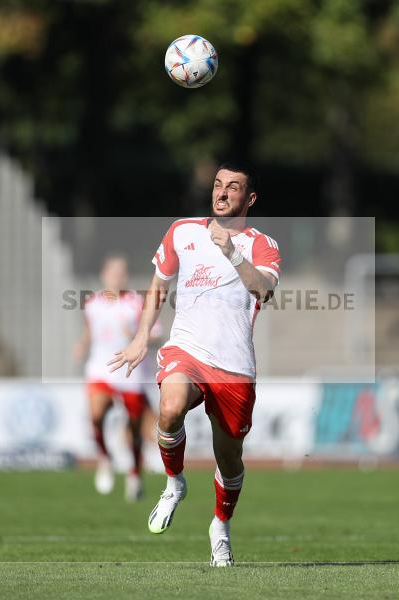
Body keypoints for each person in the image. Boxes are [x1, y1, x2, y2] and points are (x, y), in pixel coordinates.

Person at [108, 162, 281, 567]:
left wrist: (229, 250)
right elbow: (158, 285)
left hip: (234, 365)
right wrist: (139, 336)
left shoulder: (262, 244)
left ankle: (220, 526)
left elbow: (265, 289)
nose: (222, 193)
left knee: (230, 457)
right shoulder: (182, 231)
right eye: (218, 185)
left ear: (249, 199)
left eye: (233, 188)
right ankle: (174, 483)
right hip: (186, 349)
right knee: (168, 409)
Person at [74, 255, 158, 502]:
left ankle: (134, 474)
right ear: (104, 275)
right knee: (96, 414)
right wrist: (82, 343)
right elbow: (90, 330)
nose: (118, 277)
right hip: (100, 368)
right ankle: (104, 457)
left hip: (130, 371)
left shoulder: (136, 302)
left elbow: (155, 334)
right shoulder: (92, 303)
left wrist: (136, 335)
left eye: (122, 272)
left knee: (135, 427)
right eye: (113, 272)